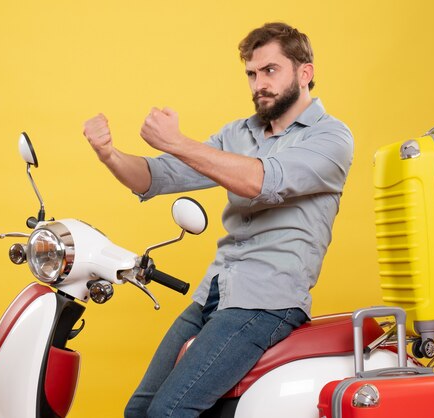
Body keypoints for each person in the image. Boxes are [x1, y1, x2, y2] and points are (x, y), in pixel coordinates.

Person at [83, 22, 353, 418]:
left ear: (304, 72)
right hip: (214, 293)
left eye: (270, 70)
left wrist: (177, 140)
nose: (258, 83)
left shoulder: (331, 138)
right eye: (251, 73)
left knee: (169, 413)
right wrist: (110, 154)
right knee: (138, 411)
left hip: (266, 303)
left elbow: (260, 180)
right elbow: (160, 176)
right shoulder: (238, 134)